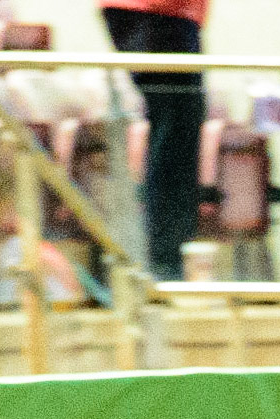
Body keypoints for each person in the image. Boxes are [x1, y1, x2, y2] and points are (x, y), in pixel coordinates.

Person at [98, 0, 208, 282]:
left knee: (177, 131)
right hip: (156, 12)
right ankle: (167, 264)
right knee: (174, 134)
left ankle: (170, 262)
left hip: (166, 13)